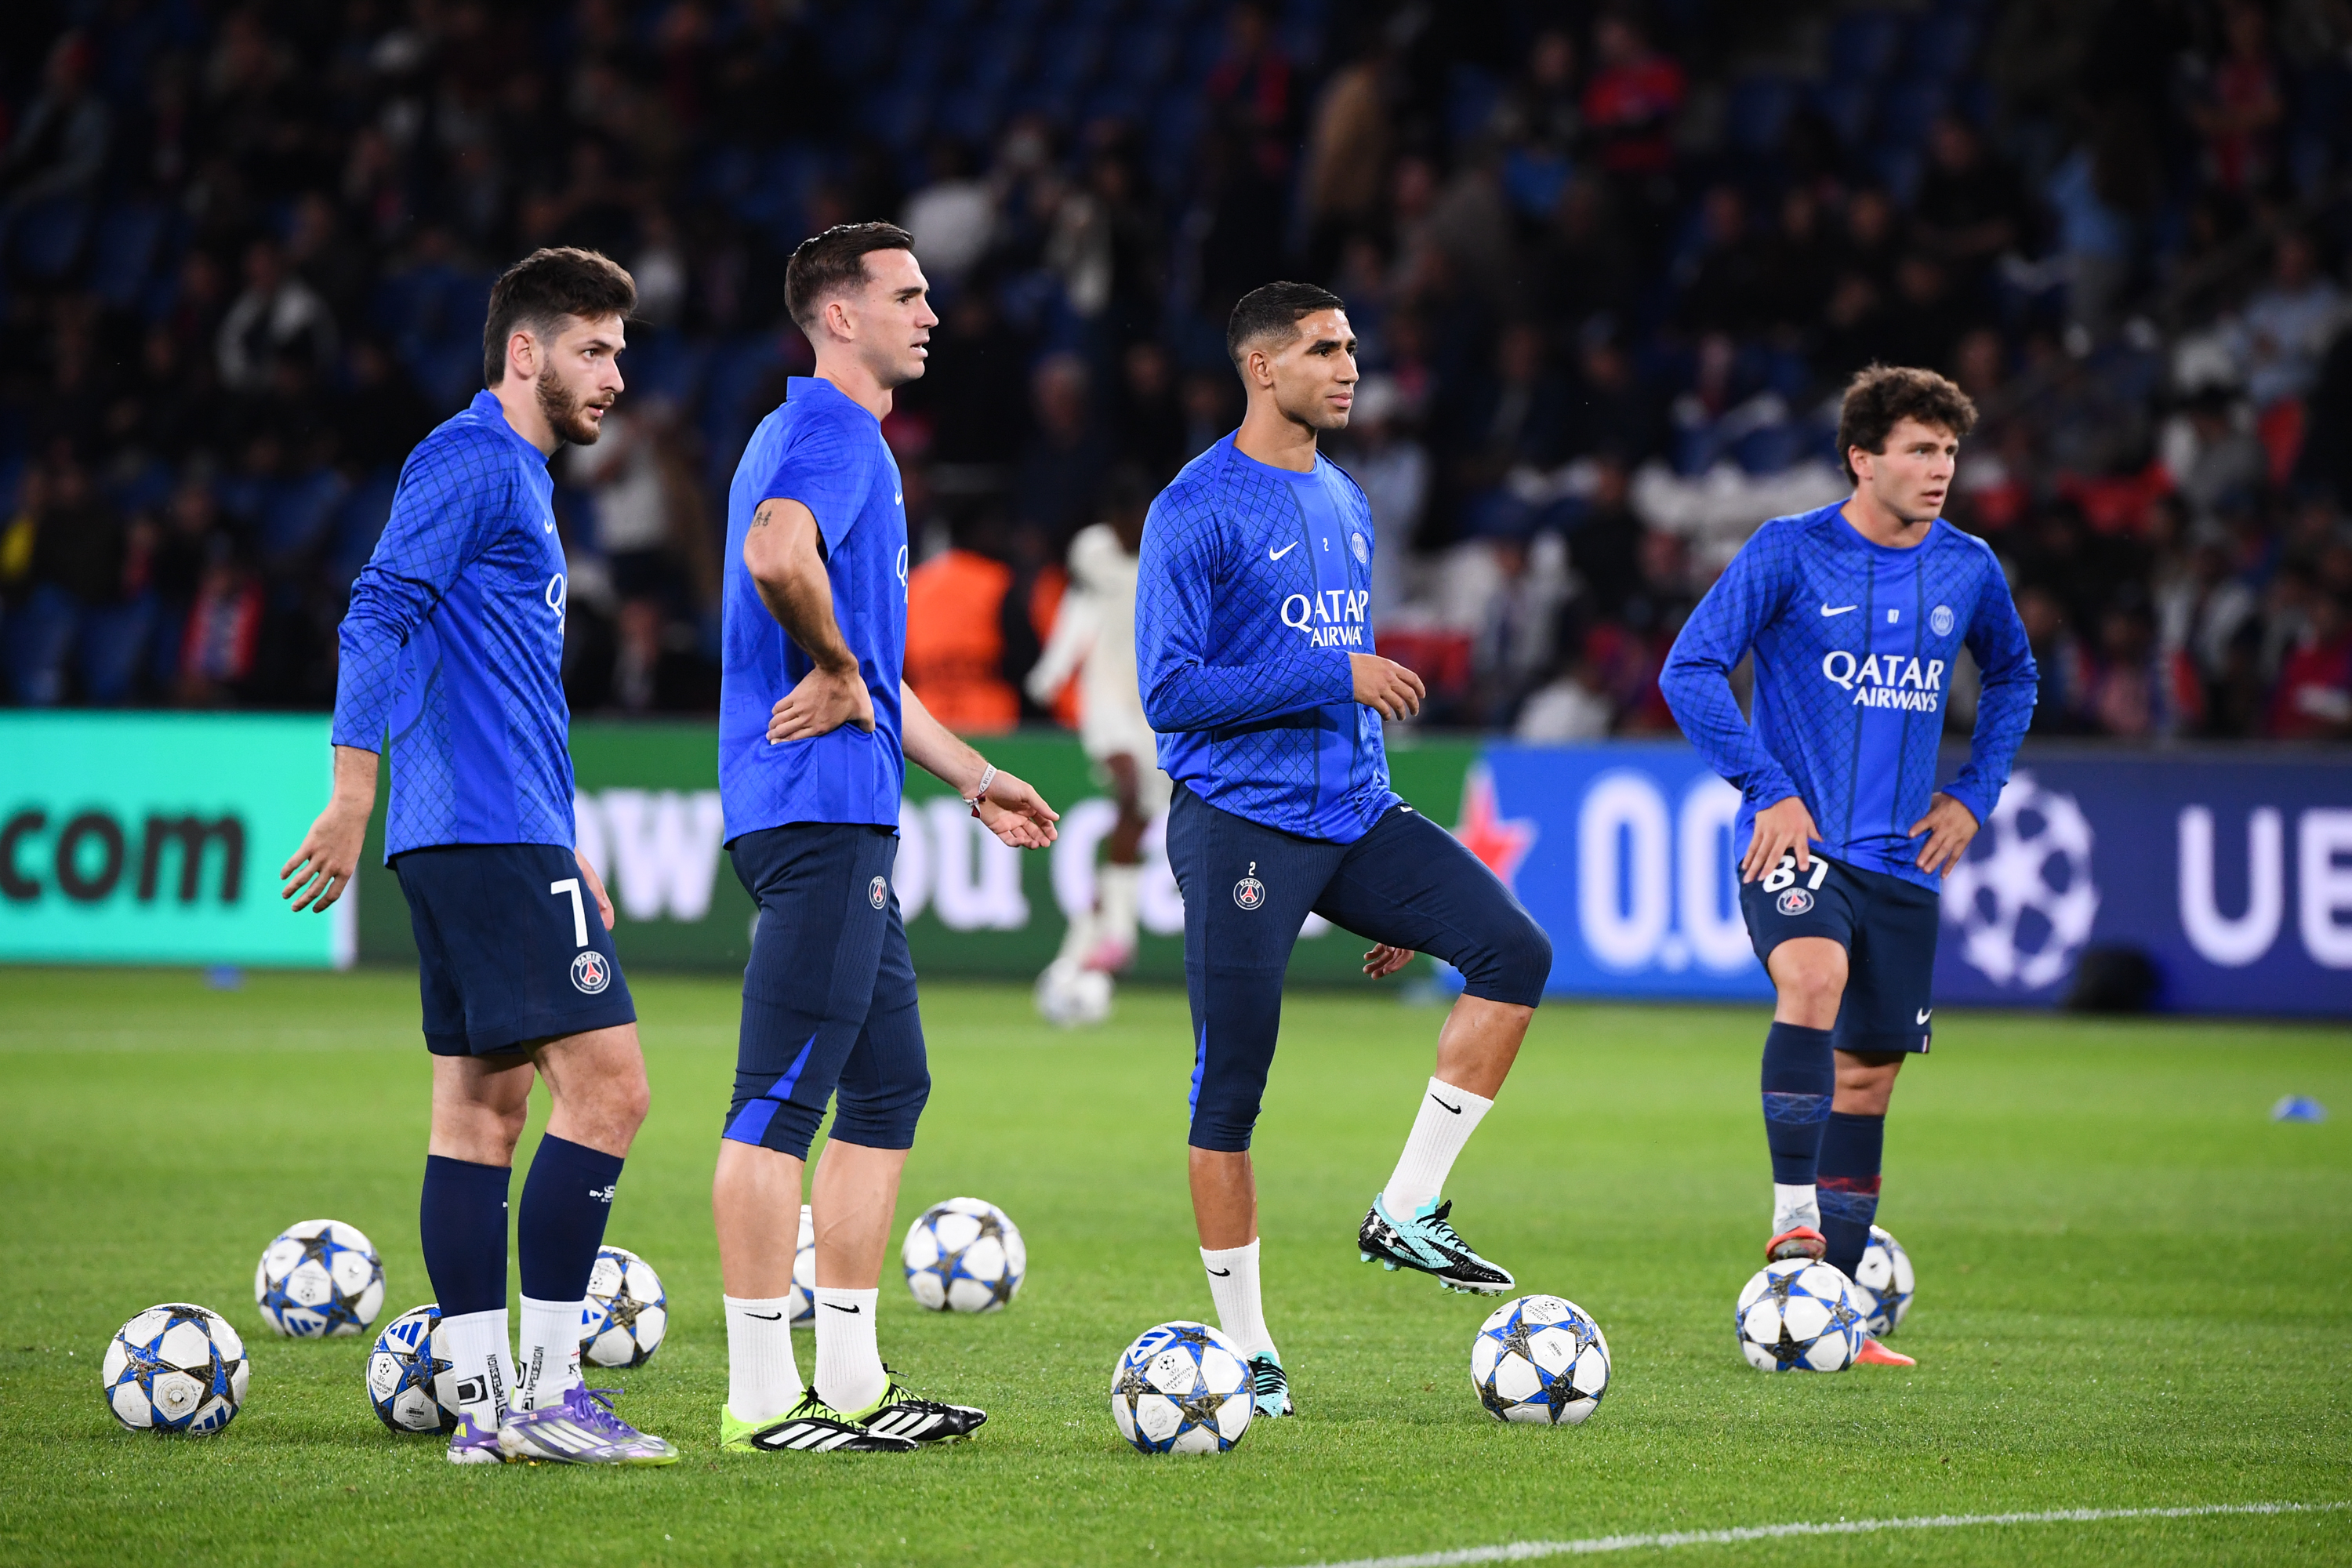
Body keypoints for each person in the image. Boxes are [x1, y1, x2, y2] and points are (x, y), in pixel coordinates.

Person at [279, 248, 675, 1465]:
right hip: (482, 832)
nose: (615, 374)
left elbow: (499, 686)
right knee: (611, 1092)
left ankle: (478, 1407)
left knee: (480, 1112)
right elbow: (378, 610)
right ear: (525, 350)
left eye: (620, 351)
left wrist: (568, 843)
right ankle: (551, 1398)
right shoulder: (476, 460)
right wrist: (353, 789)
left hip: (487, 835)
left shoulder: (517, 478)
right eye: (593, 349)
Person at [1134, 281, 1555, 1421]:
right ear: (1262, 368)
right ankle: (1249, 1348)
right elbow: (1172, 695)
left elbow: (1342, 690)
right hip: (1241, 826)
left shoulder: (1348, 502)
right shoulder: (1194, 508)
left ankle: (1407, 1209)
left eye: (1353, 347)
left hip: (1353, 818)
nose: (1350, 366)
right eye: (1325, 349)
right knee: (1231, 1090)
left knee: (1513, 954)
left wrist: (1384, 900)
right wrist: (1337, 673)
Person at [711, 223, 1060, 1454]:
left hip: (844, 809)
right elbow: (776, 555)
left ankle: (853, 1380)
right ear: (840, 316)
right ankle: (762, 1399)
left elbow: (872, 674)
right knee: (776, 1104)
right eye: (908, 295)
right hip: (813, 812)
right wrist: (840, 662)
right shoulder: (831, 432)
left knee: (889, 1084)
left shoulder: (824, 438)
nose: (933, 314)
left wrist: (975, 775)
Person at [1659, 364, 2038, 1367]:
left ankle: (1839, 1313)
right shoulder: (1788, 552)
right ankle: (1793, 1221)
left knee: (1866, 1082)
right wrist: (1766, 786)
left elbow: (2015, 674)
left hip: (1906, 865)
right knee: (1813, 976)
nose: (1940, 468)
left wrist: (1973, 794)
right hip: (1802, 843)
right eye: (1920, 449)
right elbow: (1688, 667)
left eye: (1950, 451)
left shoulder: (1968, 567)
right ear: (1862, 457)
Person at [1026, 467, 1167, 1005]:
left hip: (1151, 708)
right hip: (1104, 698)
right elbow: (1081, 611)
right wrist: (1053, 671)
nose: (1134, 532)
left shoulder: (1166, 553)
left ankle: (1098, 930)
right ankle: (1119, 934)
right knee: (1129, 793)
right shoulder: (1092, 552)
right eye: (1127, 523)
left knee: (1138, 817)